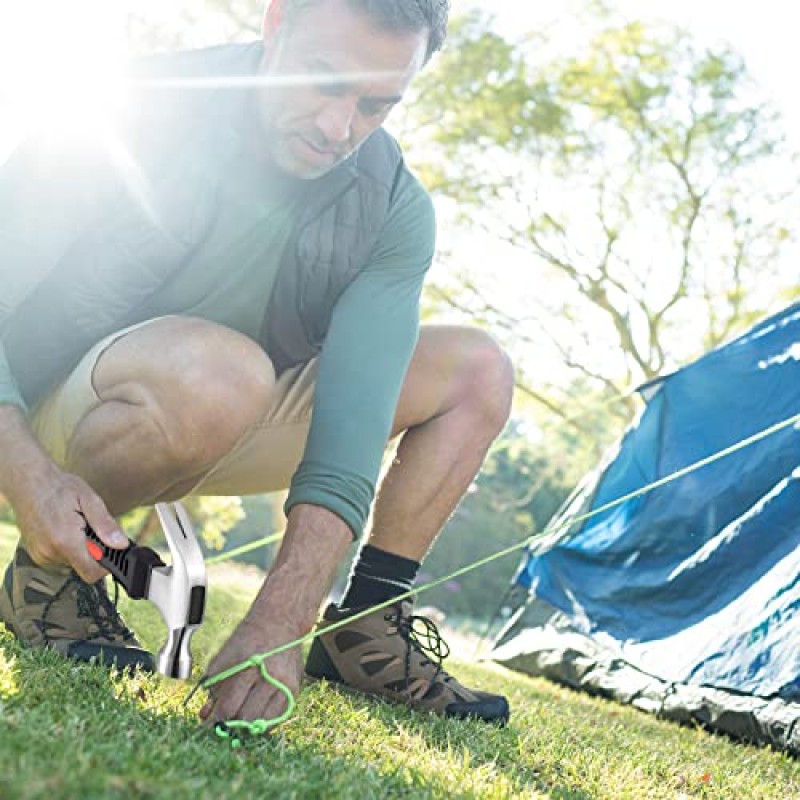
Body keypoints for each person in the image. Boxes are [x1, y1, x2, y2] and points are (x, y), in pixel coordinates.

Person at [0, 0, 514, 728]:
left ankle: (363, 630)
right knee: (222, 371)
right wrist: (27, 476)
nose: (339, 129)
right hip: (39, 409)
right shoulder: (126, 111)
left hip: (224, 410)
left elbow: (350, 432)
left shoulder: (393, 205)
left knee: (476, 369)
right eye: (323, 81)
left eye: (374, 105)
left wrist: (286, 615)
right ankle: (48, 577)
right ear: (277, 26)